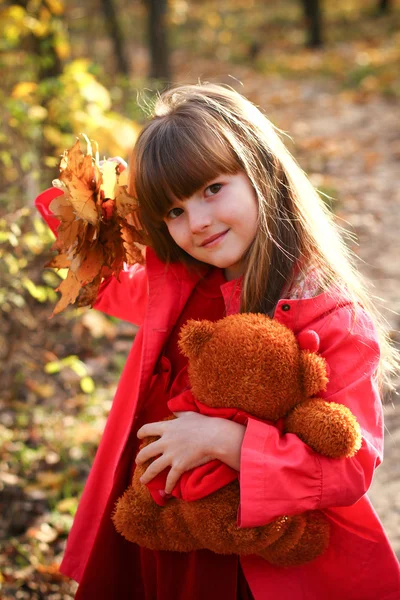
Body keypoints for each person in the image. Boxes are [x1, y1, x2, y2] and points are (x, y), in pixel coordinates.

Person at [35, 83, 400, 600]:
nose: (199, 222)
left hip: (257, 560)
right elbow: (104, 277)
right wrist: (101, 195)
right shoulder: (181, 282)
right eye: (174, 212)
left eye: (211, 189)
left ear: (260, 171)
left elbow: (350, 465)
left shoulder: (329, 315)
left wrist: (226, 442)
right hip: (167, 543)